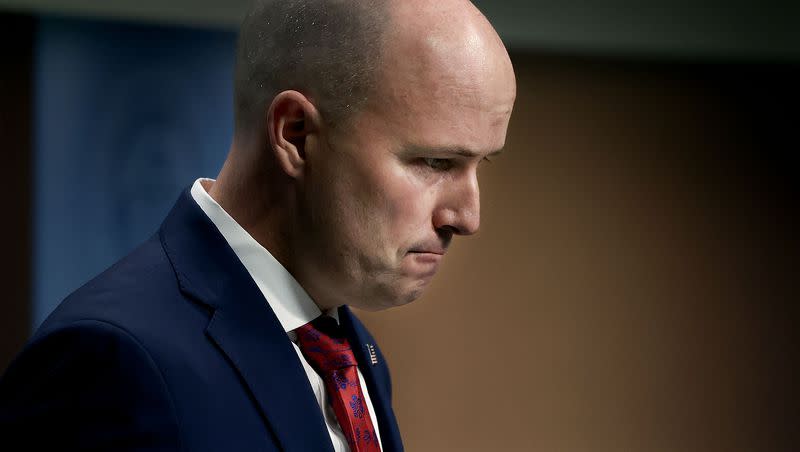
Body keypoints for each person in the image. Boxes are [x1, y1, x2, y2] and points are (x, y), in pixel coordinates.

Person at [0, 0, 516, 450]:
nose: (468, 217)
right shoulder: (113, 366)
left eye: (481, 165)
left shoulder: (349, 355)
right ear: (295, 135)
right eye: (435, 163)